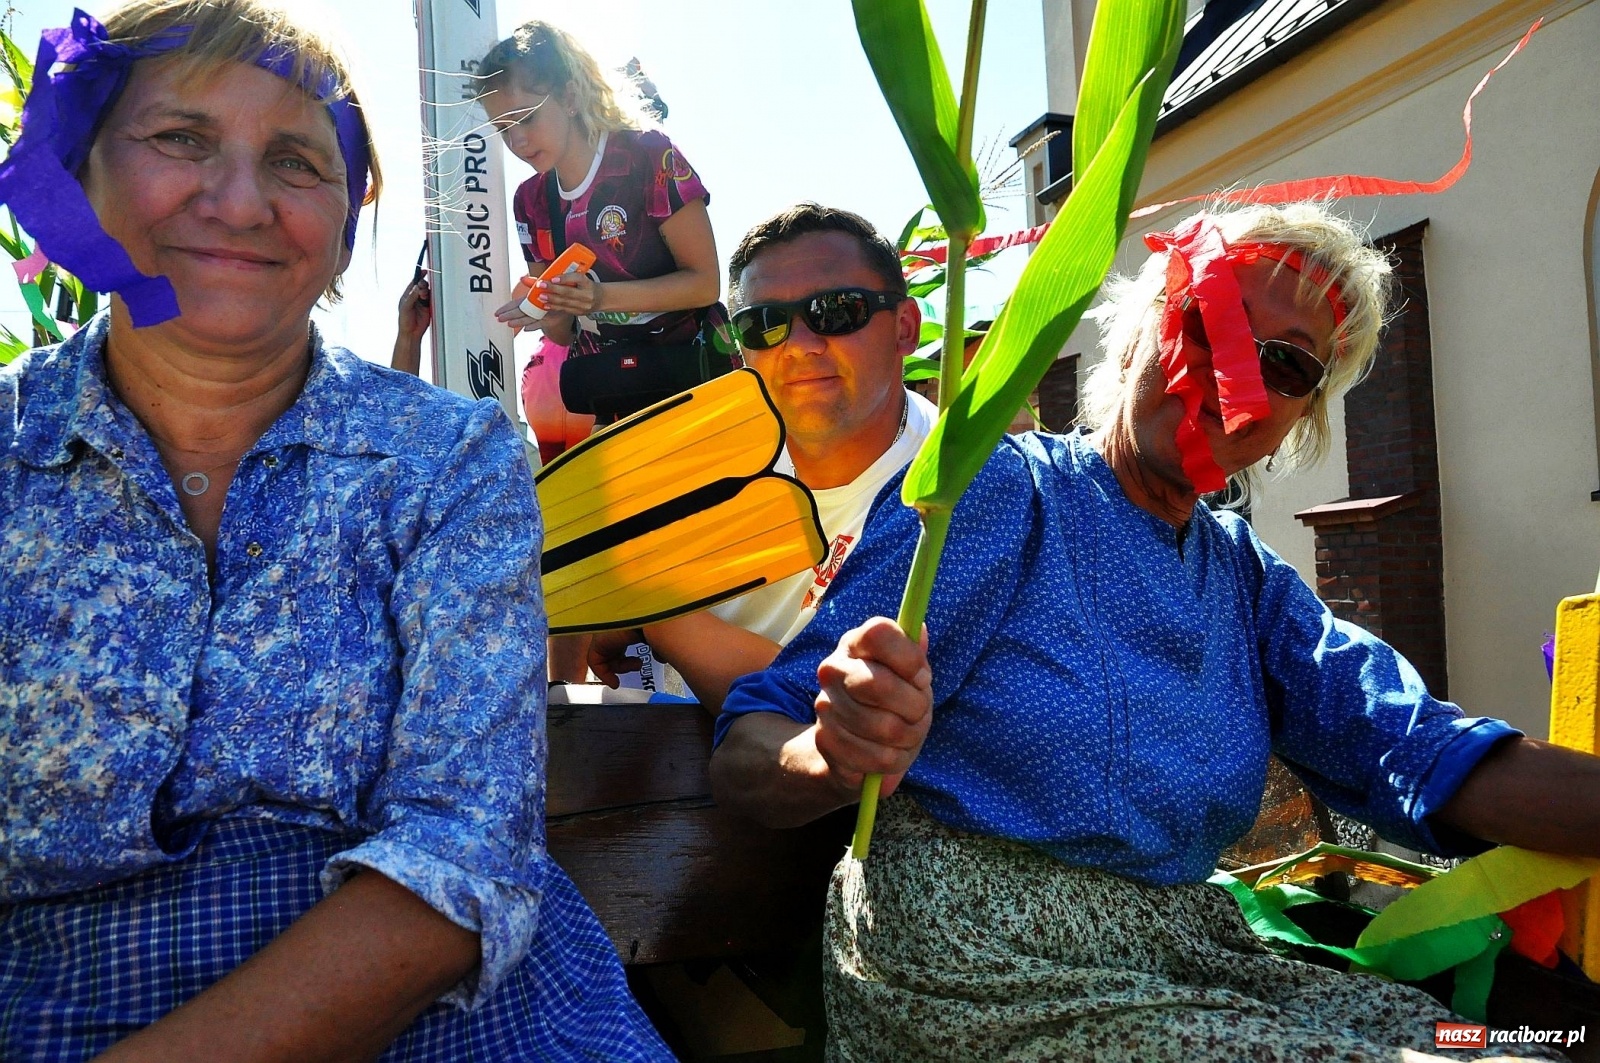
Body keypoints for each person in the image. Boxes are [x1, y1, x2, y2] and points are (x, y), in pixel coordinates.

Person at [709, 201, 1600, 1061]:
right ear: (1138, 330)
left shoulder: (1244, 579)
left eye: (1286, 367)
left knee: (1512, 1045)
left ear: (1300, 415)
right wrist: (829, 750)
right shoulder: (1001, 493)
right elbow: (756, 733)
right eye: (1209, 323)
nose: (1238, 378)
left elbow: (1407, 743)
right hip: (982, 965)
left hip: (1191, 952)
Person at [0, 4, 669, 1060]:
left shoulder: (449, 458)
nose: (239, 202)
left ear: (349, 213)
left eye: (295, 162)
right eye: (180, 139)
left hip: (453, 1012)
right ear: (79, 166)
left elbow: (466, 843)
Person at [588, 204, 937, 712]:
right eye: (764, 324)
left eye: (836, 310)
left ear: (905, 327)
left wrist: (655, 614)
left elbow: (830, 705)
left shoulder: (942, 488)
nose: (799, 345)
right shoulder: (702, 449)